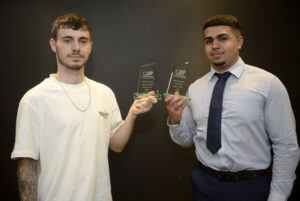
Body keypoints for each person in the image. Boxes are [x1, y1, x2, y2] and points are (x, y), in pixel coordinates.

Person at [11, 13, 157, 201]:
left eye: (83, 41)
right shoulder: (34, 99)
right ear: (53, 45)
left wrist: (132, 114)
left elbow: (117, 145)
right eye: (67, 40)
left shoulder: (104, 93)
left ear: (90, 47)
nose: (76, 48)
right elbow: (26, 167)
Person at [165, 14, 299, 201]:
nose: (215, 46)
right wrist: (175, 119)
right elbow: (186, 140)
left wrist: (278, 195)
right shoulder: (195, 88)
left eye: (223, 38)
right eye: (208, 40)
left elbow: (286, 146)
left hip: (251, 188)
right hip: (204, 185)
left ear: (239, 41)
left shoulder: (268, 84)